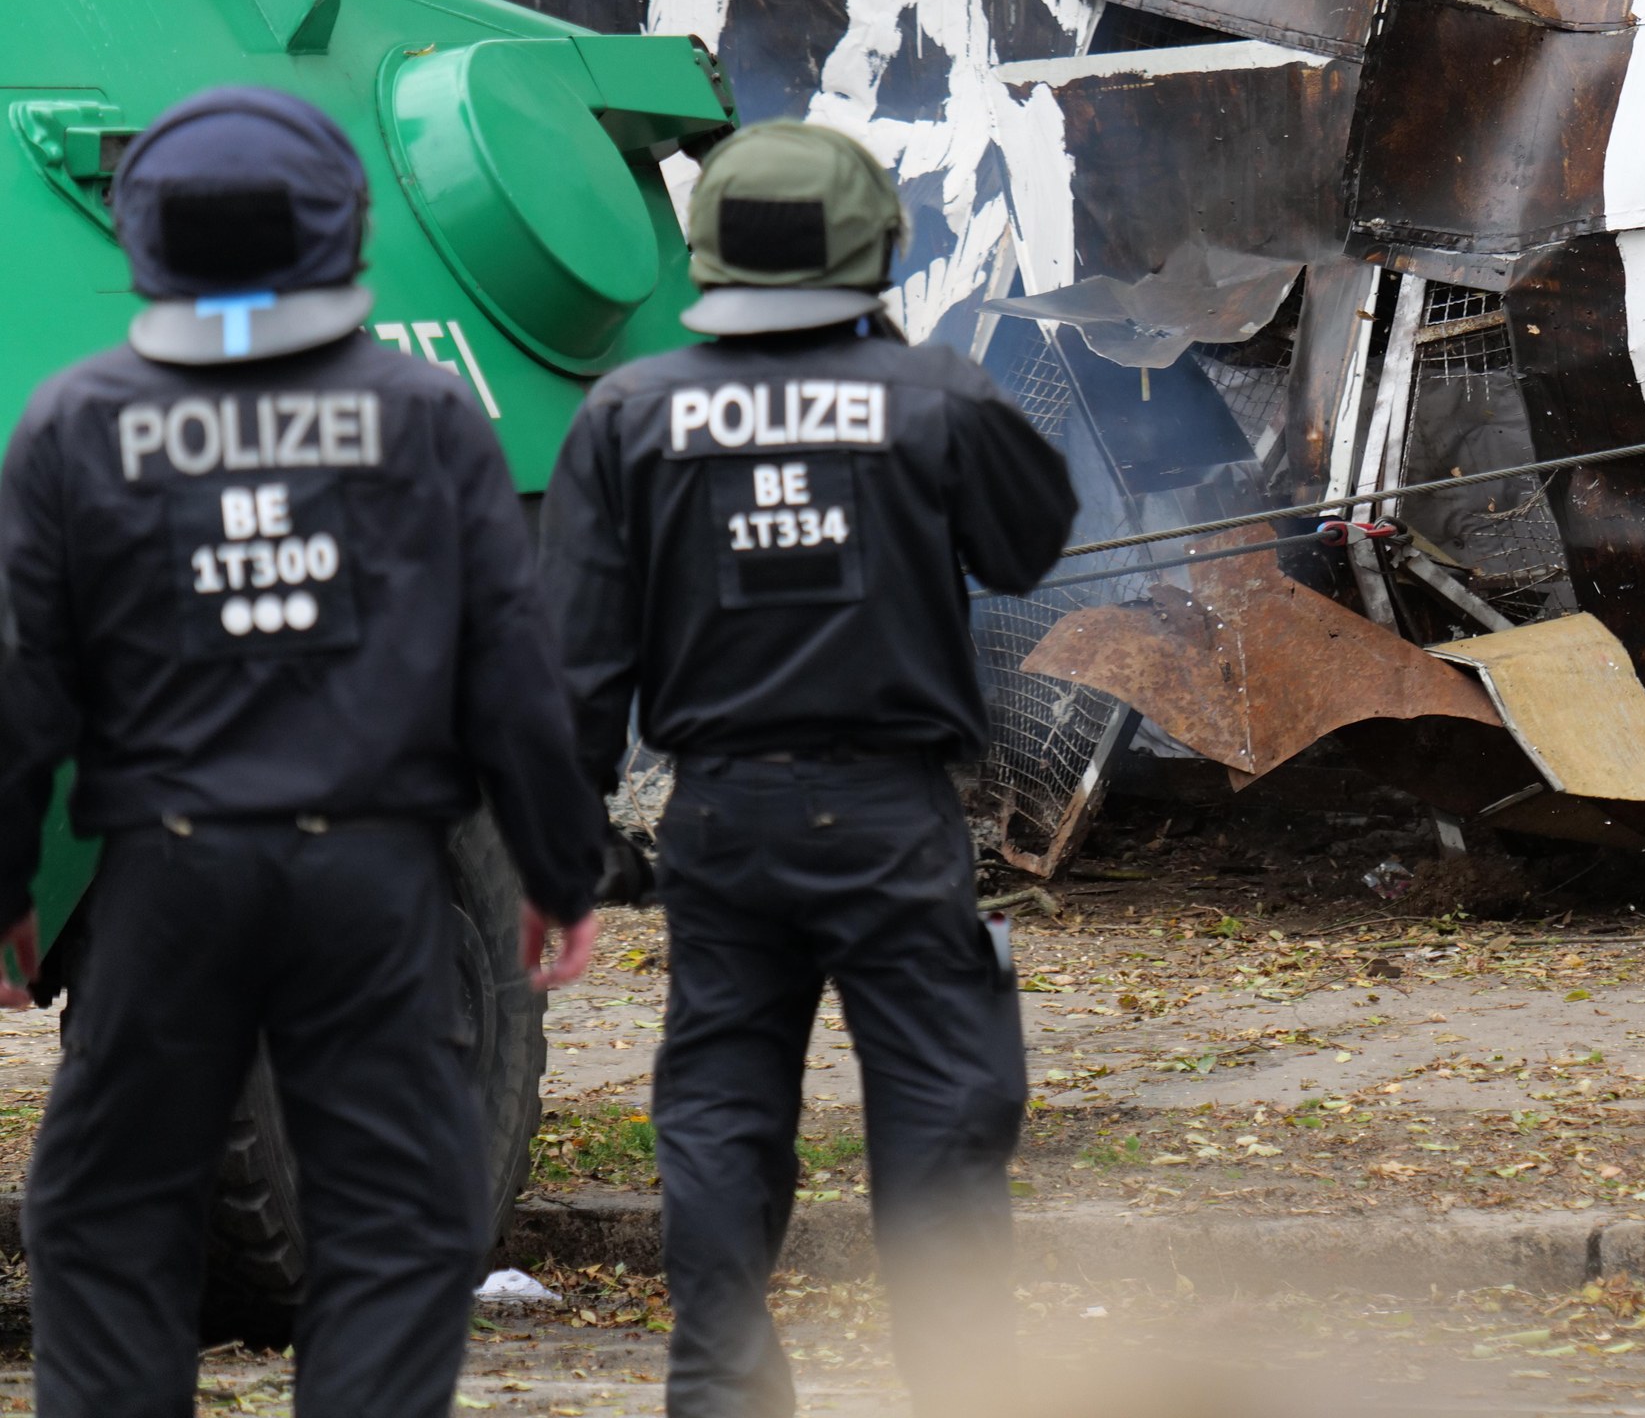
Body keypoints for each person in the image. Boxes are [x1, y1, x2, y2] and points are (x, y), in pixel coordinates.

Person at [0, 86, 607, 1417]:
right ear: (341, 223)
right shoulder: (428, 414)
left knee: (107, 1223)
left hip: (164, 882)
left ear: (142, 232)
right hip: (374, 886)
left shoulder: (72, 420)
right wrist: (562, 866)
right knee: (394, 1219)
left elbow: (23, 696)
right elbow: (508, 669)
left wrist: (4, 903)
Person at [539, 122, 1077, 1417]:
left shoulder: (627, 413)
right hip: (892, 820)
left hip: (721, 820)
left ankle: (719, 1395)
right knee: (940, 1117)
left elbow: (572, 662)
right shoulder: (936, 396)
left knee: (721, 1113)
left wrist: (571, 847)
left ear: (708, 249)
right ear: (874, 245)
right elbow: (1026, 545)